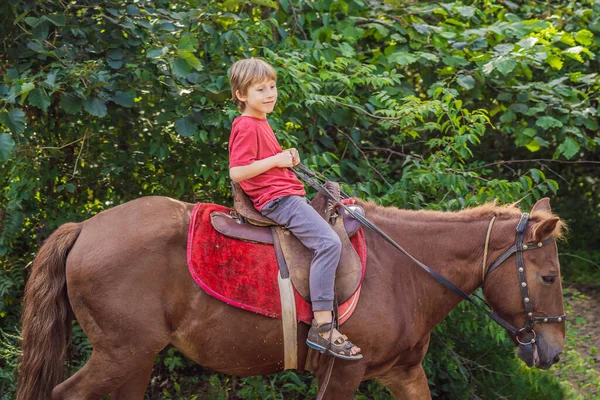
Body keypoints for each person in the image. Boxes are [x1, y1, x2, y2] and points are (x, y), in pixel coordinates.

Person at [227, 58, 362, 360]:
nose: (270, 93)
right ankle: (324, 325)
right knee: (327, 243)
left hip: (285, 193)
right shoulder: (247, 125)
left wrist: (283, 157)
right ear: (241, 95)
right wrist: (277, 161)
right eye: (260, 89)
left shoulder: (260, 122)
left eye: (272, 86)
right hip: (279, 201)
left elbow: (263, 163)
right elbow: (237, 171)